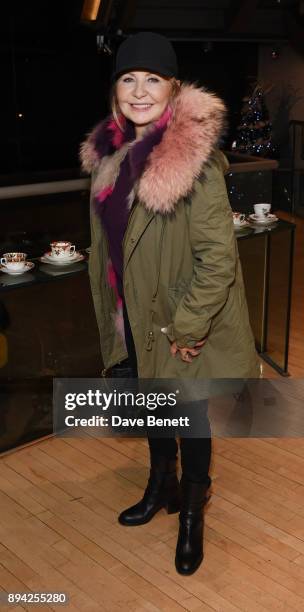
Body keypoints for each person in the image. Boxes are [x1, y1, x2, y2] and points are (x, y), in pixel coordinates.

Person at [80, 31, 260, 575]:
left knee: (192, 414)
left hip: (182, 318)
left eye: (152, 79)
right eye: (128, 79)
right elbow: (108, 245)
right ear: (115, 90)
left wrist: (188, 327)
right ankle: (160, 485)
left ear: (173, 87)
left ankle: (192, 511)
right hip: (131, 311)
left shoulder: (195, 164)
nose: (139, 91)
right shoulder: (110, 157)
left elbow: (218, 259)